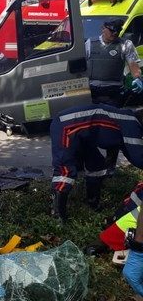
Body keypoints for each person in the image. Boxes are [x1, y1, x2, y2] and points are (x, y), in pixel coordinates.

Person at [50, 104, 143, 221]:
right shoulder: (131, 122)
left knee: (96, 167)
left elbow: (128, 151)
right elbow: (138, 157)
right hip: (67, 127)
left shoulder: (125, 118)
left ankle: (93, 204)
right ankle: (58, 215)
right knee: (64, 171)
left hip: (83, 133)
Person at [86, 19, 143, 177]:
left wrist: (138, 78)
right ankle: (92, 163)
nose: (114, 34)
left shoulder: (125, 44)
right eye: (111, 31)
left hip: (113, 93)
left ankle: (110, 166)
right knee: (89, 128)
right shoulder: (90, 43)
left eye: (117, 31)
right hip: (92, 92)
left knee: (113, 128)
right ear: (103, 28)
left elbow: (133, 65)